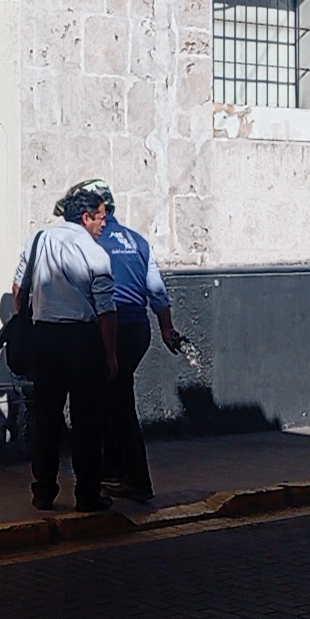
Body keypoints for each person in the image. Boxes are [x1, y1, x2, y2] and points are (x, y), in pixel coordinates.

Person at [71, 179, 184, 502]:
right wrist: (167, 329)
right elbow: (157, 290)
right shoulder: (137, 241)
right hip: (138, 328)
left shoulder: (90, 240)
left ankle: (135, 478)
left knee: (115, 404)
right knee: (112, 398)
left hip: (108, 327)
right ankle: (114, 471)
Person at [13, 186, 120, 513]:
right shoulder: (95, 252)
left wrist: (26, 320)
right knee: (87, 419)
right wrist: (111, 355)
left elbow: (19, 289)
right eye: (102, 217)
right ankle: (87, 494)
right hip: (80, 337)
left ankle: (43, 491)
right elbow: (105, 309)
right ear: (86, 217)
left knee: (46, 417)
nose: (106, 224)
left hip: (45, 336)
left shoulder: (39, 239)